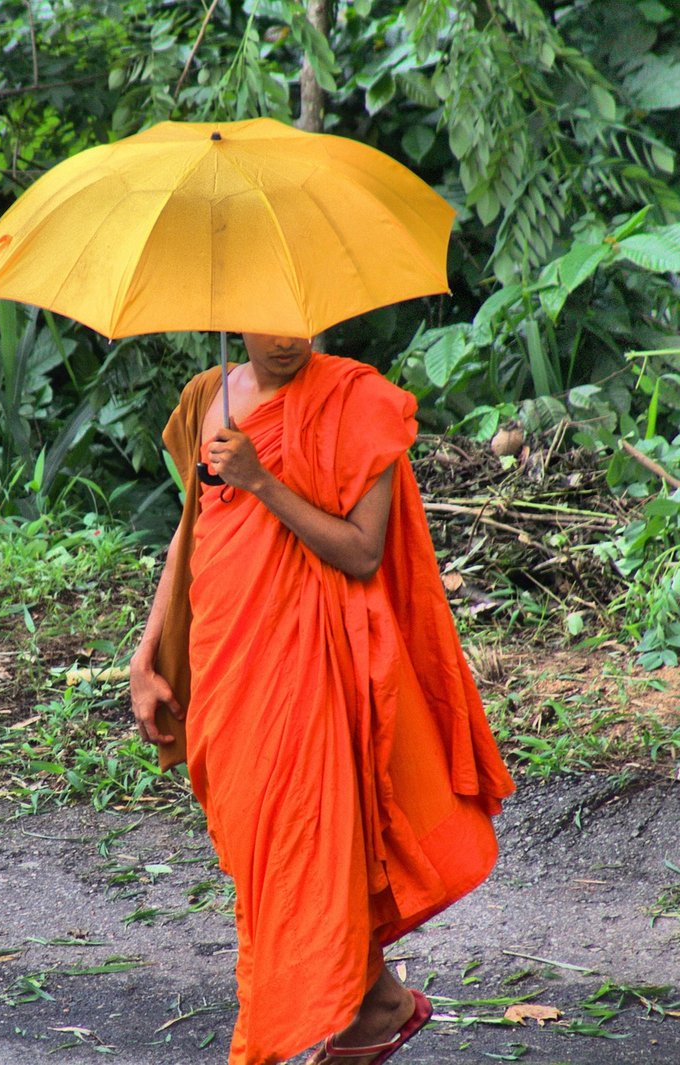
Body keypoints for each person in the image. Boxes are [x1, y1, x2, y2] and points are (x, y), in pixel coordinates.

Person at [129, 334, 515, 1065]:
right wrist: (147, 651)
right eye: (269, 315)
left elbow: (363, 550)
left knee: (301, 840)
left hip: (310, 661)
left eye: (302, 317)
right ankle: (378, 1005)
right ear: (236, 309)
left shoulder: (357, 404)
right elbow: (194, 528)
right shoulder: (203, 400)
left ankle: (280, 1032)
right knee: (255, 843)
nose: (286, 336)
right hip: (226, 659)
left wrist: (263, 479)